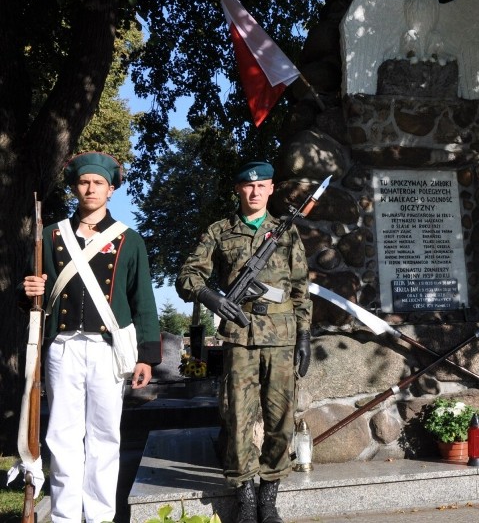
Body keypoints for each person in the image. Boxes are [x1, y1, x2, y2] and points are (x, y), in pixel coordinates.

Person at [21, 152, 160, 523]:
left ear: (111, 190)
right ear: (75, 188)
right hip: (62, 346)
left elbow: (142, 299)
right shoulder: (51, 236)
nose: (91, 188)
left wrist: (146, 355)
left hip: (107, 351)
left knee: (104, 438)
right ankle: (65, 517)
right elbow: (35, 293)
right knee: (62, 438)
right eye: (84, 182)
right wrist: (30, 289)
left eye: (99, 183)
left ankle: (98, 517)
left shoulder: (129, 240)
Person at [176, 161, 312, 523]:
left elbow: (301, 289)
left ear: (270, 190)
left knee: (281, 419)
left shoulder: (285, 233)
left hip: (282, 337)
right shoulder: (220, 231)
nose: (254, 192)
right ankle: (246, 497)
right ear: (238, 190)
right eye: (247, 187)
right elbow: (188, 276)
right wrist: (212, 298)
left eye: (261, 186)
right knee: (238, 416)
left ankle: (269, 496)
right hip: (240, 334)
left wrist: (304, 335)